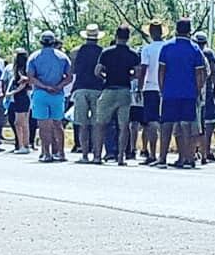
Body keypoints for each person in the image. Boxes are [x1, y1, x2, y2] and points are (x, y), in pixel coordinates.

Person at [157, 18, 206, 169]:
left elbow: (161, 71)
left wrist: (162, 88)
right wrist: (198, 91)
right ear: (189, 30)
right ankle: (187, 158)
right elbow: (199, 74)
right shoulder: (195, 49)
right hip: (188, 93)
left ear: (176, 29)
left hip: (170, 92)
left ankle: (162, 157)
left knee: (166, 125)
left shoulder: (167, 47)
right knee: (186, 126)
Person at [91, 25, 140, 166]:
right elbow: (137, 73)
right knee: (123, 125)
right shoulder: (133, 54)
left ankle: (97, 156)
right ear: (128, 37)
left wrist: (105, 77)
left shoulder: (106, 53)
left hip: (109, 89)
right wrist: (128, 78)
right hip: (124, 91)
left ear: (116, 36)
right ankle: (120, 157)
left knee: (101, 124)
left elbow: (97, 71)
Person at [27, 30, 73, 163]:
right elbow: (69, 77)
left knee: (43, 125)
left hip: (40, 94)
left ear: (41, 42)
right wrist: (59, 86)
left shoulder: (34, 57)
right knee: (58, 124)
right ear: (54, 42)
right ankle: (61, 152)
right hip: (57, 94)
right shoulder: (63, 57)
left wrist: (44, 86)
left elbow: (31, 77)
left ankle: (47, 153)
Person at [70, 24, 104, 156]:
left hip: (81, 87)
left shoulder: (76, 52)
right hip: (97, 88)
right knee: (96, 123)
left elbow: (72, 70)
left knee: (82, 123)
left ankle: (84, 153)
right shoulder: (102, 51)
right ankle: (96, 154)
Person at [136, 20, 166, 164]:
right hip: (166, 88)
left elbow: (143, 69)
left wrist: (139, 87)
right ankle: (162, 154)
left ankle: (153, 153)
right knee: (164, 122)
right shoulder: (167, 47)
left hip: (150, 87)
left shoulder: (147, 49)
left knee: (151, 122)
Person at [193, 32, 215, 164]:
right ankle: (206, 151)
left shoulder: (192, 51)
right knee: (208, 122)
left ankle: (194, 150)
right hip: (207, 90)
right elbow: (214, 73)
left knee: (195, 121)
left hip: (192, 91)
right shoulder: (209, 53)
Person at [5, 48, 31, 154]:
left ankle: (22, 145)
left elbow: (23, 84)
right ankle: (25, 144)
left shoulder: (21, 71)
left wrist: (11, 93)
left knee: (19, 123)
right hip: (23, 98)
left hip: (21, 98)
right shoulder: (26, 69)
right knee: (24, 123)